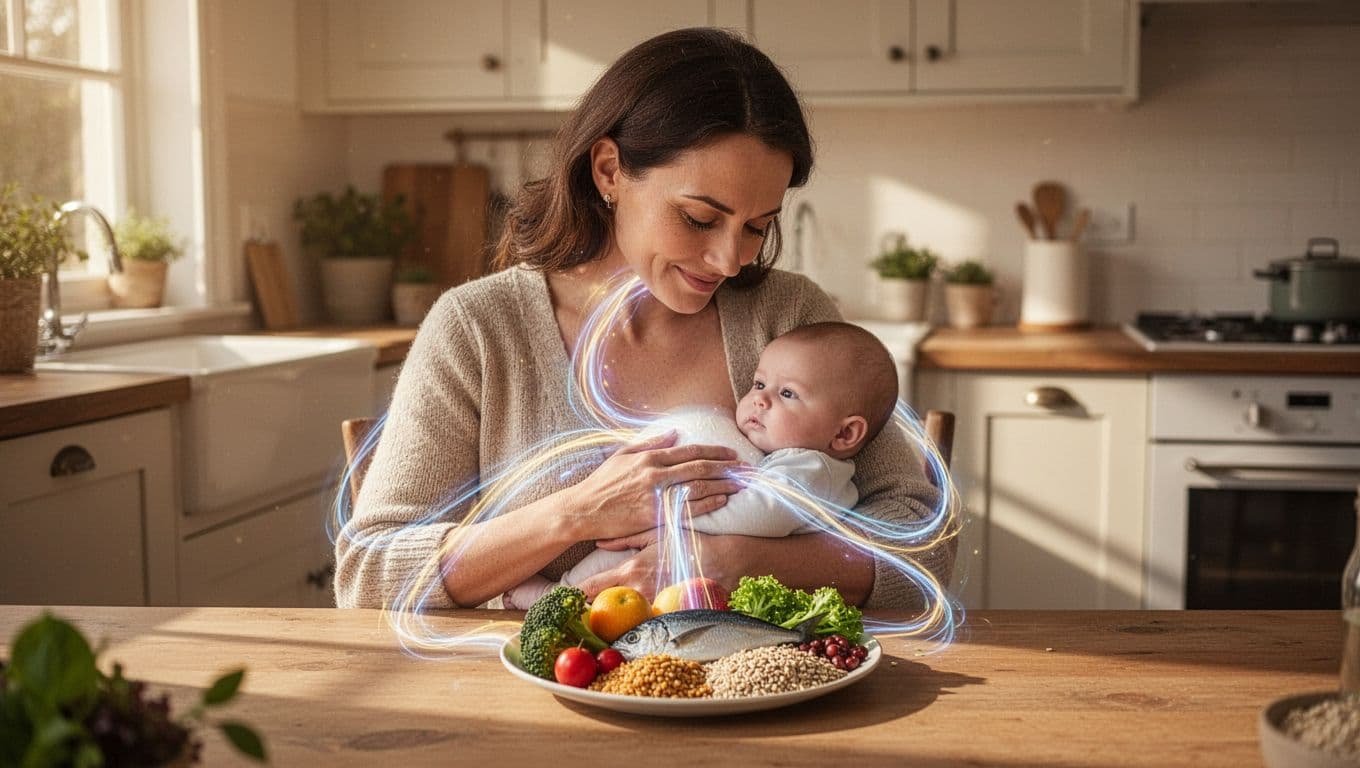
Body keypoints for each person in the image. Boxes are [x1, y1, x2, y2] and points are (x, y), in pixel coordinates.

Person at [334, 27, 951, 612]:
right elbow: (370, 572)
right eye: (699, 219)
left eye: (757, 226)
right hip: (542, 697)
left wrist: (741, 560)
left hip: (760, 696)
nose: (730, 260)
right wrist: (577, 513)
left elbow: (924, 543)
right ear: (609, 172)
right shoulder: (478, 329)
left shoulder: (789, 317)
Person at [501, 322, 900, 609]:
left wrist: (668, 510)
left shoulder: (813, 469)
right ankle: (558, 597)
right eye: (759, 385)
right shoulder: (793, 458)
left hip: (716, 585)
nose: (760, 400)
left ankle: (556, 599)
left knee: (617, 567)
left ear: (845, 435)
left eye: (788, 394)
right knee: (619, 568)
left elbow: (762, 518)